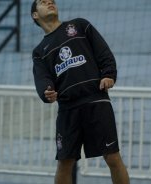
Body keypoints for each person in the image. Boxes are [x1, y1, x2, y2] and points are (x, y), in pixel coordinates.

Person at [31, 0, 130, 184]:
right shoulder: (39, 51)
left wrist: (109, 74)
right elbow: (42, 78)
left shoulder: (79, 25)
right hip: (68, 109)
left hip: (96, 101)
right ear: (35, 15)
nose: (50, 2)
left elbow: (104, 52)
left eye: (52, 1)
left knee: (112, 157)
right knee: (64, 162)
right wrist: (46, 92)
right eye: (43, 2)